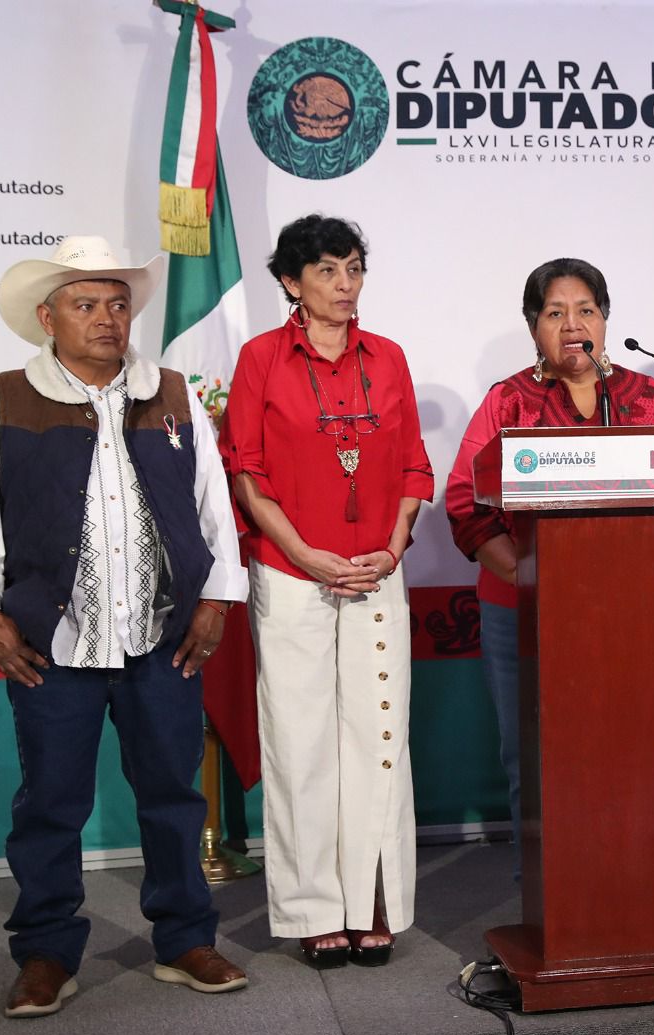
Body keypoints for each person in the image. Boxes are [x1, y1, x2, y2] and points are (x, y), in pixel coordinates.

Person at [0, 235, 250, 1017]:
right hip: (53, 644)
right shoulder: (7, 400)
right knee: (50, 803)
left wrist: (216, 600)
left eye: (118, 303)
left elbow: (213, 507)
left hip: (162, 637)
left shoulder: (172, 394)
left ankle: (184, 939)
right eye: (86, 304)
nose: (108, 318)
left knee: (173, 796)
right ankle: (46, 951)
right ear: (49, 318)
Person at [221, 215, 434, 966]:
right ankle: (316, 907)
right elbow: (247, 473)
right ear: (291, 281)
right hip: (291, 576)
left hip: (376, 572)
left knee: (378, 737)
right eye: (328, 271)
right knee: (301, 741)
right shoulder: (260, 359)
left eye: (354, 269)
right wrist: (306, 554)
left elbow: (413, 467)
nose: (346, 285)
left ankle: (372, 899)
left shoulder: (390, 357)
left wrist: (393, 547)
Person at [445, 258, 654, 859]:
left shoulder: (646, 397)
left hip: (631, 610)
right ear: (533, 328)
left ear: (605, 321)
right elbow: (466, 502)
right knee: (535, 757)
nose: (573, 325)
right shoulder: (508, 402)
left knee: (629, 750)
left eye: (586, 311)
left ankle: (628, 880)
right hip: (522, 608)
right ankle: (543, 895)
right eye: (555, 313)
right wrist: (526, 576)